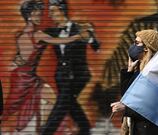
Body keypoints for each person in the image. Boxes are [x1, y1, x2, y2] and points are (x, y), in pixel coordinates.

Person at [1, 0, 85, 132]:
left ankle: (41, 129)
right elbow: (60, 41)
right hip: (24, 79)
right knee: (13, 107)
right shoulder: (38, 35)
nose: (40, 17)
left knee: (47, 101)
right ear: (29, 16)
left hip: (23, 76)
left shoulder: (20, 36)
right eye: (37, 15)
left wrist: (19, 61)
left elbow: (22, 59)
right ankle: (41, 130)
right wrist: (78, 36)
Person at [41, 0, 100, 134]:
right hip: (61, 76)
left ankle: (46, 132)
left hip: (78, 75)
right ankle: (85, 130)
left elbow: (96, 47)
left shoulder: (80, 28)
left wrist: (90, 36)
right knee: (69, 103)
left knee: (62, 104)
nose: (50, 15)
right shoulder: (52, 31)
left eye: (53, 11)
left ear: (62, 10)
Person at [111, 30, 158, 135]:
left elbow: (152, 107)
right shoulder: (139, 69)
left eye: (136, 43)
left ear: (146, 47)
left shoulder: (154, 72)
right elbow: (127, 97)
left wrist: (125, 108)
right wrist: (129, 71)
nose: (133, 46)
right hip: (137, 128)